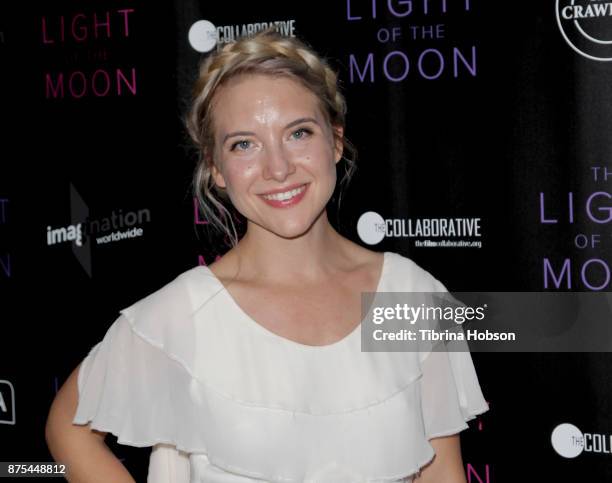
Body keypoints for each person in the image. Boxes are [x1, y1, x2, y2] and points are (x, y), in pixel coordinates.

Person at [45, 28, 489, 482]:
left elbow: (439, 471)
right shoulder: (183, 316)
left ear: (335, 141)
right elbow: (69, 429)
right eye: (244, 144)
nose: (278, 169)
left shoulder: (409, 295)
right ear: (216, 168)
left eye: (298, 133)